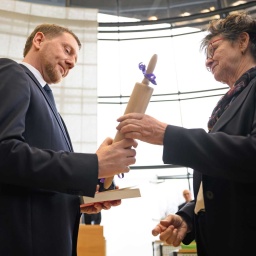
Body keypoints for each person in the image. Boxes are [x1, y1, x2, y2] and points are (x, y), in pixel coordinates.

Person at [116, 11, 256, 256]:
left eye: (213, 49)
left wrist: (167, 135)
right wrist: (190, 215)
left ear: (243, 41)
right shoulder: (228, 104)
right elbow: (225, 176)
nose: (207, 61)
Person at [0, 24, 137, 256]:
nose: (72, 62)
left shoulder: (47, 100)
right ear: (39, 40)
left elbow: (35, 179)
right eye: (67, 50)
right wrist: (94, 164)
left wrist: (78, 198)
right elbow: (5, 153)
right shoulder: (13, 73)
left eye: (75, 57)